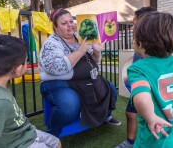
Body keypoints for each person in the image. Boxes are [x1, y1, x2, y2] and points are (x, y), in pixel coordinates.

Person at [38, 8, 121, 136]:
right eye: (64, 23)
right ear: (55, 27)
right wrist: (79, 52)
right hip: (59, 82)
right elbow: (55, 68)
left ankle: (105, 116)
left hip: (86, 79)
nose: (70, 25)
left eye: (71, 21)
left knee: (110, 88)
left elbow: (95, 60)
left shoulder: (80, 37)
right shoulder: (51, 43)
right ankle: (52, 133)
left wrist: (97, 51)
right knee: (68, 104)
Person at [127, 11, 173, 148]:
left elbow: (141, 99)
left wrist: (151, 118)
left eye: (133, 35)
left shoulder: (138, 69)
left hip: (154, 139)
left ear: (140, 43)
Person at [0, 35, 61, 148]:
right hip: (17, 143)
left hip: (25, 131)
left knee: (56, 142)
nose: (27, 64)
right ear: (18, 69)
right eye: (26, 61)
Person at [117, 6, 156, 148]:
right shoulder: (138, 44)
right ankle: (130, 141)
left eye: (136, 23)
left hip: (150, 88)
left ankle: (147, 141)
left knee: (149, 117)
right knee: (130, 113)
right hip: (138, 87)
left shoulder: (154, 46)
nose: (133, 27)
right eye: (133, 23)